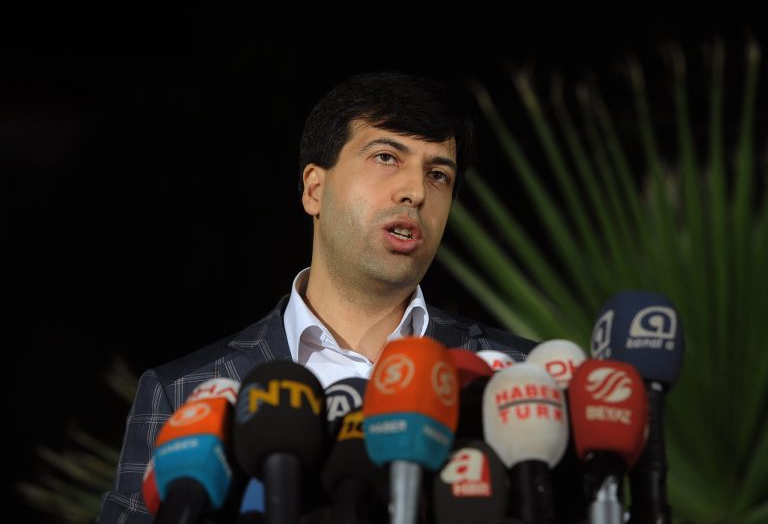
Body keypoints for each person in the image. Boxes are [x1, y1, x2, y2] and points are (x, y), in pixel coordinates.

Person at [97, 70, 537, 522]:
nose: (416, 191)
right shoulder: (182, 395)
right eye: (387, 157)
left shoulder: (522, 380)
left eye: (439, 174)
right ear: (314, 189)